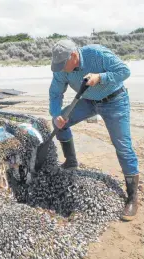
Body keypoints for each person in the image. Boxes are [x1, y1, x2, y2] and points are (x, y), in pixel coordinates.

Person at [49, 39, 139, 221]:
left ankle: (132, 196)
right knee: (59, 123)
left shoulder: (97, 54)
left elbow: (124, 71)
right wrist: (56, 114)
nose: (60, 69)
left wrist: (101, 77)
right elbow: (55, 93)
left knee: (122, 145)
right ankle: (71, 161)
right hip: (87, 102)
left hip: (115, 101)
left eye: (63, 64)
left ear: (74, 55)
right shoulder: (61, 71)